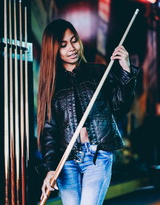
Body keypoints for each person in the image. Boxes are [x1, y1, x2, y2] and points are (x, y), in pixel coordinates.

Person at [37, 19, 138, 205]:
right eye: (63, 45)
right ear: (53, 50)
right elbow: (49, 131)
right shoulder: (51, 85)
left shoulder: (98, 72)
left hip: (97, 155)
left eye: (74, 40)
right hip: (66, 161)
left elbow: (120, 107)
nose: (72, 48)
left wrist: (126, 70)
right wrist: (50, 168)